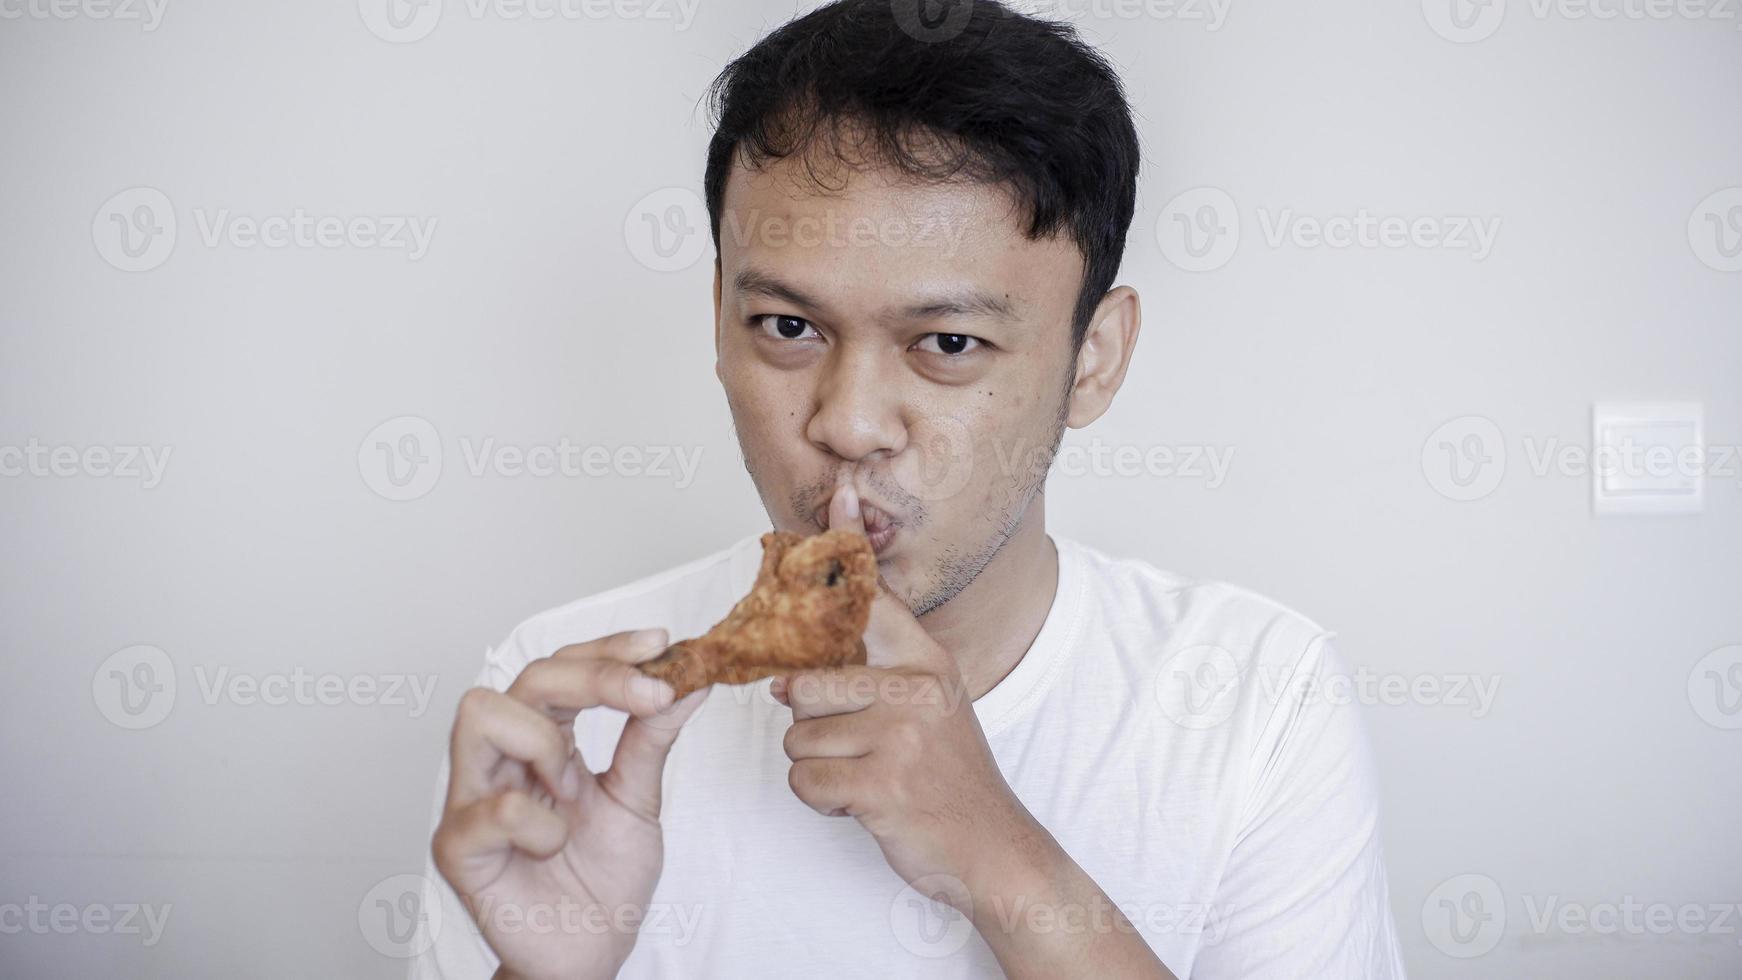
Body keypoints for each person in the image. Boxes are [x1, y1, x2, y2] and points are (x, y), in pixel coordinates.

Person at [413, 2, 1407, 977]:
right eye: (786, 327)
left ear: (1093, 359)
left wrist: (999, 857)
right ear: (716, 316)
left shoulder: (1255, 698)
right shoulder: (561, 706)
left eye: (947, 343)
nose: (846, 423)